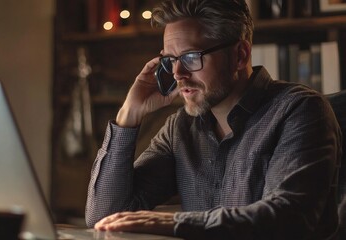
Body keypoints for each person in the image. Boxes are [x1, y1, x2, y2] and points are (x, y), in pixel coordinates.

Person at [85, 0, 342, 239]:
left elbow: (289, 217)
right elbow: (103, 216)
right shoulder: (180, 129)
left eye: (190, 57)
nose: (177, 74)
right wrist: (128, 114)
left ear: (240, 55)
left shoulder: (300, 110)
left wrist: (174, 222)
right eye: (170, 60)